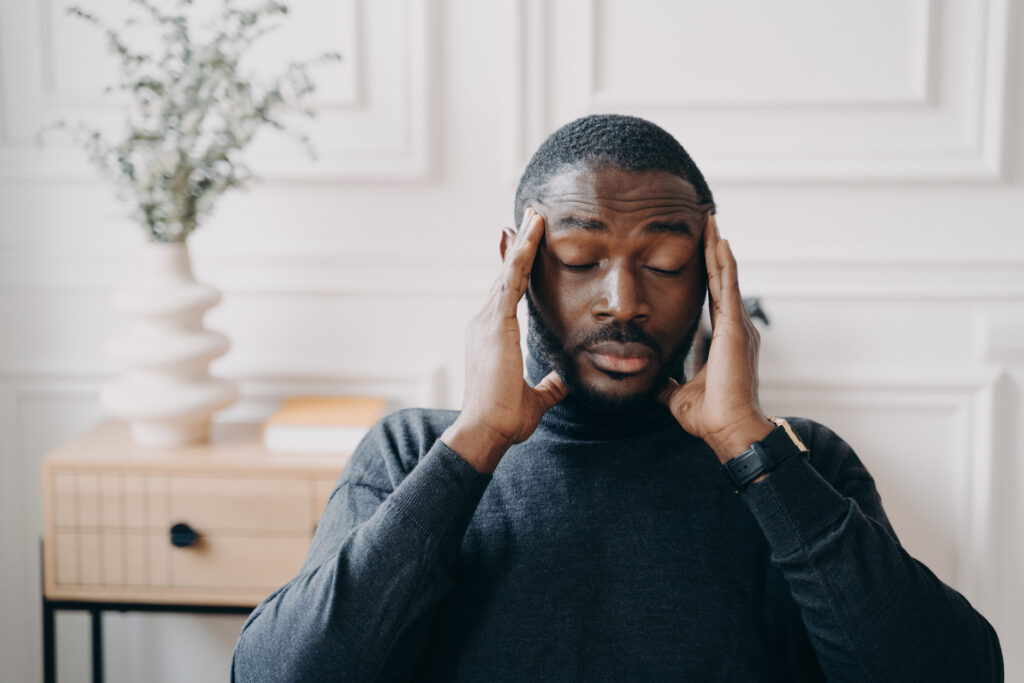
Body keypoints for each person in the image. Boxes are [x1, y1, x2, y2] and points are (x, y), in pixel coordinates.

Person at [231, 114, 1003, 681]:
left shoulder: (803, 461)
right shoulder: (411, 454)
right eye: (578, 257)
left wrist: (752, 447)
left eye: (664, 261)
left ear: (711, 269)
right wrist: (475, 443)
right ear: (517, 264)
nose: (622, 299)